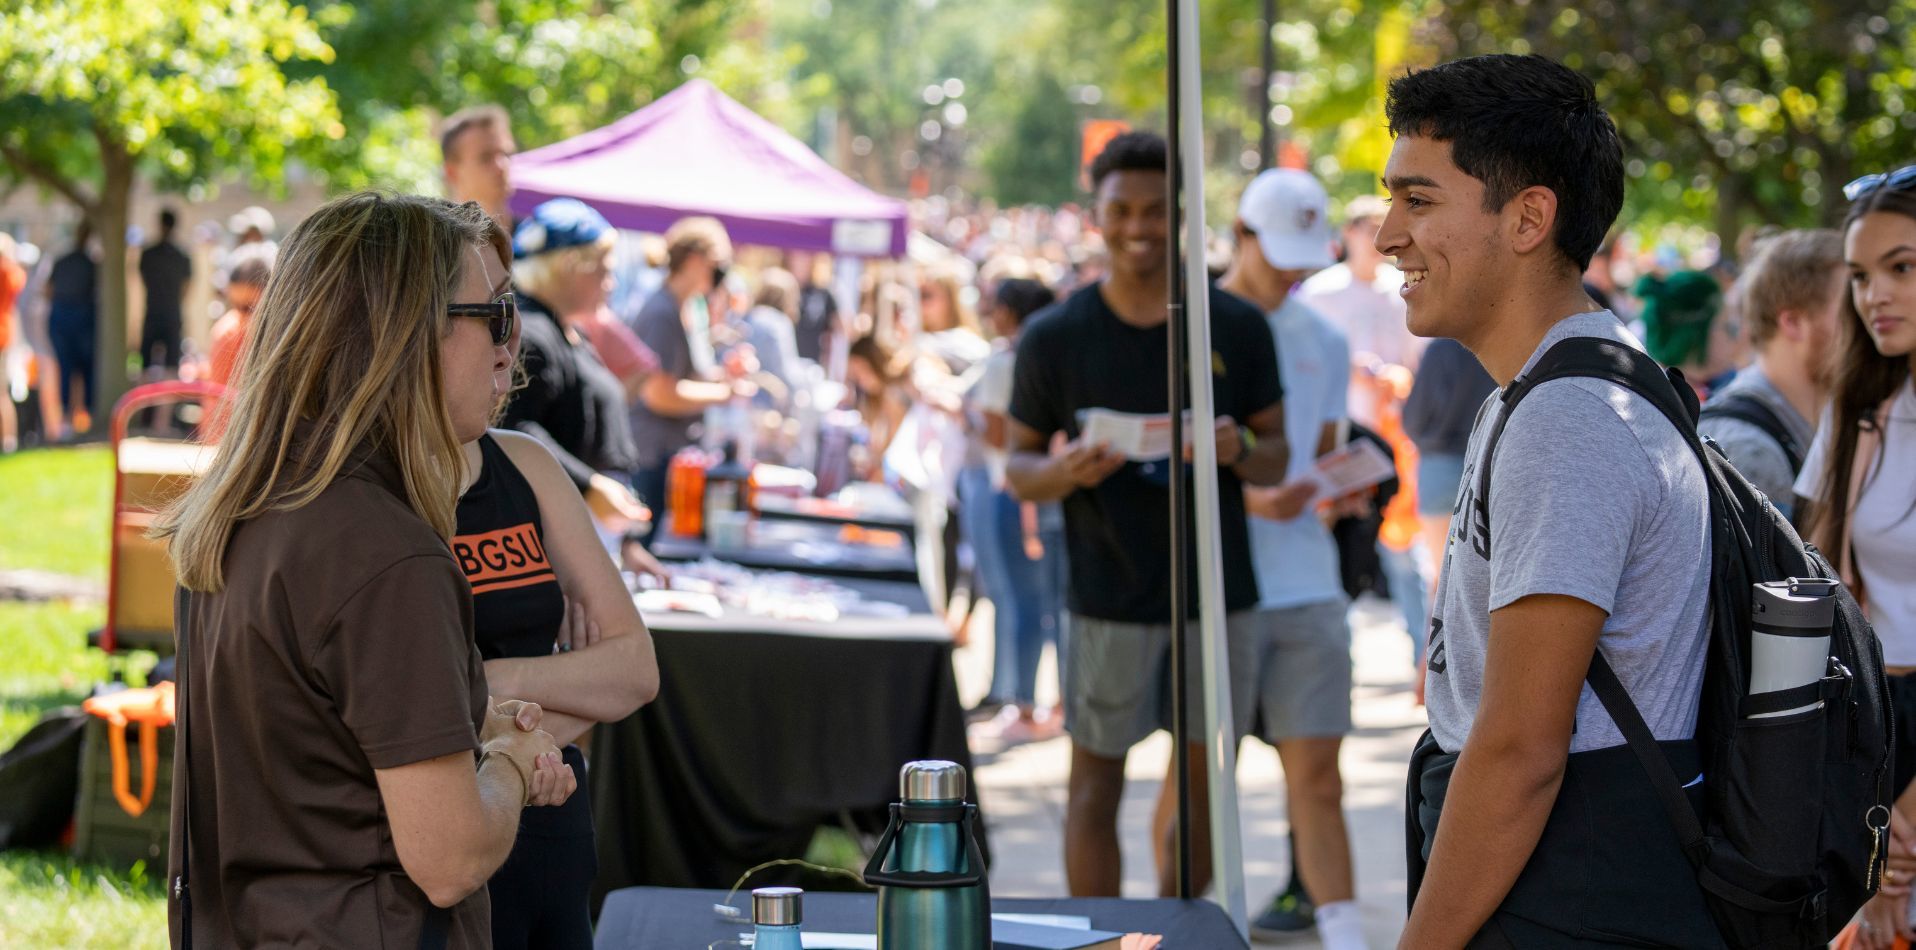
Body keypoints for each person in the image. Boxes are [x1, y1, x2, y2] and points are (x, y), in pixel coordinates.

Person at [156, 193, 578, 948]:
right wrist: (512, 764)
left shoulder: (247, 509)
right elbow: (449, 858)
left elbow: (311, 740)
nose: (512, 349)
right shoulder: (387, 555)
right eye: (498, 316)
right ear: (403, 334)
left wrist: (468, 720)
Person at [1386, 55, 1719, 946]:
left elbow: (1522, 752)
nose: (1387, 235)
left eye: (1418, 202)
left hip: (1570, 892)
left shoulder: (1569, 416)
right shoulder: (1561, 385)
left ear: (1530, 217)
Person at [1004, 130, 1290, 898]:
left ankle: (1175, 930)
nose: (1138, 227)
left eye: (1155, 211)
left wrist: (1238, 445)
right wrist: (1062, 470)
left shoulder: (1233, 325)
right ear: (1095, 215)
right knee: (1093, 786)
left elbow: (1278, 455)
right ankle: (1098, 939)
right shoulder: (1054, 335)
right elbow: (1019, 470)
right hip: (1106, 595)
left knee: (1200, 790)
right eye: (1120, 209)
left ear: (1183, 214)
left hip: (1216, 595)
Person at [1216, 168, 1368, 950]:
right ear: (1239, 235)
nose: (1294, 269)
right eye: (1279, 252)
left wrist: (1337, 493)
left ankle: (1344, 935)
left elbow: (1323, 453)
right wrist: (1251, 498)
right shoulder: (1198, 330)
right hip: (1224, 588)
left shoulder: (1324, 338)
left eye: (1303, 254)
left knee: (1318, 779)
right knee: (1201, 787)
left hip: (1307, 582)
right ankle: (1200, 925)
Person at [456, 394, 659, 944]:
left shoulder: (525, 463)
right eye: (491, 315)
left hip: (552, 806)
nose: (510, 336)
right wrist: (573, 684)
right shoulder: (378, 485)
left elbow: (635, 670)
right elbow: (413, 711)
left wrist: (495, 682)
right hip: (449, 834)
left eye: (511, 307)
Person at [1797, 168, 1916, 947]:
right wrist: (1875, 803)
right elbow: (1820, 592)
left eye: (1902, 268)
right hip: (1876, 729)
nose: (1876, 294)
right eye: (1862, 276)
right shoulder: (1860, 412)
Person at [501, 199, 656, 546]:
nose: (611, 282)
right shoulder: (532, 334)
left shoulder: (567, 331)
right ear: (570, 266)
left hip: (588, 527)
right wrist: (589, 486)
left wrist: (627, 542)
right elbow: (515, 428)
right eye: (604, 269)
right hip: (557, 534)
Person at [962, 277, 1064, 745]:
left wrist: (965, 414)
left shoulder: (1010, 361)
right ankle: (1048, 702)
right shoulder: (1041, 357)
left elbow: (1003, 438)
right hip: (1037, 488)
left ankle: (1024, 703)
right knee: (1045, 604)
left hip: (1014, 487)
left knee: (1023, 603)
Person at [1697, 229, 1844, 520]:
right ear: (1793, 323)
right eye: (1849, 311)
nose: (1868, 322)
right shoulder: (1749, 454)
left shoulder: (1803, 420)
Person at [627, 216, 755, 532]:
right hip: (652, 457)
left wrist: (724, 377)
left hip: (674, 457)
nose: (723, 272)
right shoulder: (662, 313)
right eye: (719, 262)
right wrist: (726, 393)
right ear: (697, 261)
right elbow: (659, 393)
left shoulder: (689, 307)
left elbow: (688, 375)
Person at [1402, 338, 1496, 608]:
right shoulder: (1498, 341)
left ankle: (1434, 651)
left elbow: (1414, 420)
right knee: (1482, 584)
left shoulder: (1442, 347)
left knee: (1444, 583)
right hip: (1488, 463)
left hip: (1441, 467)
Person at [1635, 269, 1743, 399]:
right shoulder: (1664, 405)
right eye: (1728, 327)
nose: (1736, 337)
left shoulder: (1707, 388)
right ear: (1693, 336)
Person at [45, 221, 97, 431]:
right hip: (78, 316)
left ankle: (72, 420)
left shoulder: (66, 260)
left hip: (64, 316)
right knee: (81, 370)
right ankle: (76, 420)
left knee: (69, 369)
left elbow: (48, 290)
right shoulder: (90, 263)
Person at [442, 104, 517, 231]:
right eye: (485, 158)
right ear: (452, 173)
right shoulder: (438, 247)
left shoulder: (544, 237)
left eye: (505, 154)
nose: (501, 165)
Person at [139, 208, 193, 374]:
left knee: (147, 364)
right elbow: (186, 286)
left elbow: (144, 280)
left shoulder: (148, 254)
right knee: (171, 365)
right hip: (171, 312)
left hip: (154, 311)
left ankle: (147, 399)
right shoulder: (181, 256)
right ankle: (170, 400)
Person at [205, 257, 271, 389]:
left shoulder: (277, 335)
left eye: (248, 307)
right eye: (236, 305)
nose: (242, 315)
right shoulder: (227, 333)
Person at [0, 234, 25, 453]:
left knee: (2, 394)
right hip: (5, 336)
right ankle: (8, 439)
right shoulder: (12, 273)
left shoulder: (6, 273)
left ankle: (8, 440)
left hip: (2, 337)